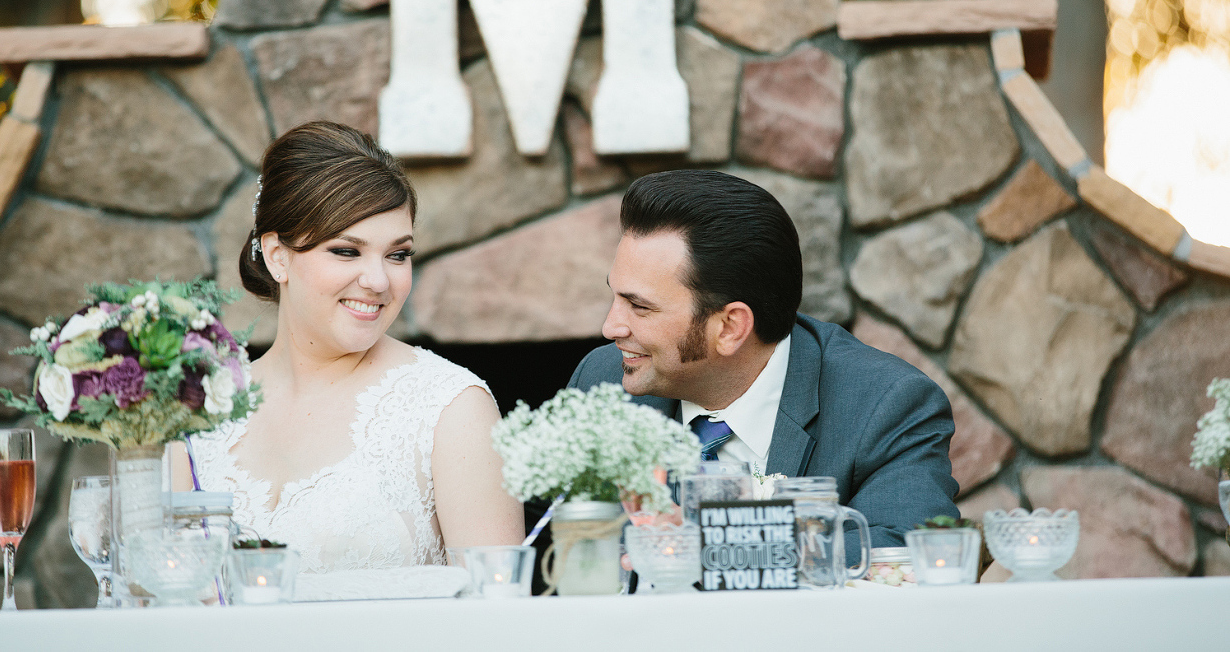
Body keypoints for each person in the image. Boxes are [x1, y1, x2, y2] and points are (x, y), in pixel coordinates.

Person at [180, 121, 524, 600]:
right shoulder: (196, 415)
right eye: (347, 251)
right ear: (278, 256)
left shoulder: (452, 410)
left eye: (397, 255)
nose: (379, 281)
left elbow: (498, 622)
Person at [568, 170, 958, 547]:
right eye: (616, 297)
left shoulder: (885, 405)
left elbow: (904, 548)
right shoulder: (602, 381)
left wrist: (717, 550)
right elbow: (541, 536)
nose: (610, 327)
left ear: (730, 327)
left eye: (639, 306)